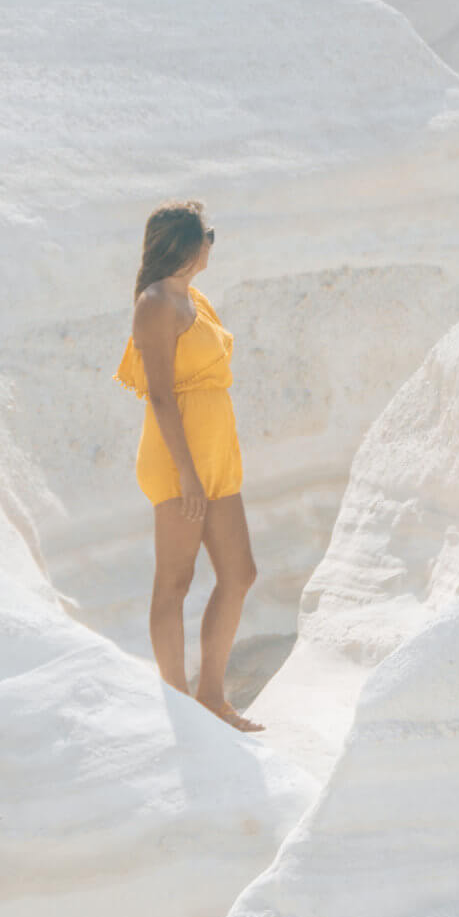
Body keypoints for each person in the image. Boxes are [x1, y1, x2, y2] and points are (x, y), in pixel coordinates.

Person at [114, 199, 262, 732]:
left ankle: (212, 698)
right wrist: (188, 473)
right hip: (181, 461)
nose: (212, 243)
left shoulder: (191, 297)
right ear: (186, 243)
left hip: (217, 454)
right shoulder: (155, 303)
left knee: (240, 573)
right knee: (174, 582)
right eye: (209, 234)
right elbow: (159, 397)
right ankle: (179, 704)